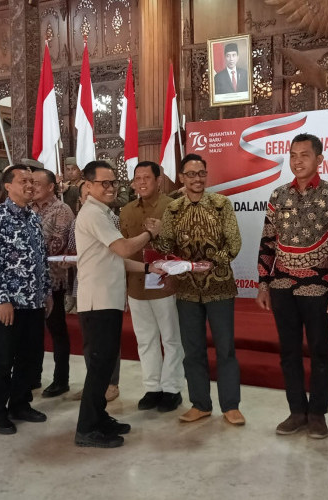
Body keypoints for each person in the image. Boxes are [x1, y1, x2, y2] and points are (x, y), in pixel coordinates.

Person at [256, 133, 328, 439]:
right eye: (293, 155)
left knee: (319, 351)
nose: (297, 161)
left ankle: (317, 414)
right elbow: (267, 242)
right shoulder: (278, 196)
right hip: (282, 285)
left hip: (319, 285)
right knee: (288, 352)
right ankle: (297, 411)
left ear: (319, 159)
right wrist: (263, 283)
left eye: (305, 155)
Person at [74, 160, 163, 448]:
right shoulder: (93, 214)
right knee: (100, 368)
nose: (111, 187)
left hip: (108, 300)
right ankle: (87, 428)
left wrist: (148, 269)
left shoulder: (104, 213)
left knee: (104, 366)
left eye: (113, 183)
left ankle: (98, 417)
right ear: (87, 186)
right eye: (104, 183)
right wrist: (151, 233)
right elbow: (124, 247)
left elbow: (117, 258)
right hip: (97, 302)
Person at [153, 153, 245, 426]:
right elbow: (167, 247)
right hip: (187, 290)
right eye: (191, 174)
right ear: (182, 178)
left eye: (201, 173)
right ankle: (200, 404)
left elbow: (234, 243)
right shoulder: (173, 209)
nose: (197, 178)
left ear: (206, 175)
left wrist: (213, 262)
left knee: (225, 348)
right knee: (192, 349)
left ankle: (231, 405)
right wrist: (156, 235)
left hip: (219, 286)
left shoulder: (221, 204)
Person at [0, 165, 53, 435]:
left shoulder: (33, 216)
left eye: (33, 181)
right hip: (8, 303)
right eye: (23, 181)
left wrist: (46, 292)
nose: (30, 185)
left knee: (30, 357)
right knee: (2, 359)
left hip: (33, 301)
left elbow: (40, 260)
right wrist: (1, 299)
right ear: (8, 187)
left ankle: (20, 404)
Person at [120, 161, 185, 412]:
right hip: (137, 284)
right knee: (145, 339)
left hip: (165, 284)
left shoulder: (173, 207)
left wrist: (163, 232)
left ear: (159, 180)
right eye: (138, 178)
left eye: (147, 177)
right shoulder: (126, 211)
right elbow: (122, 248)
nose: (142, 182)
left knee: (170, 338)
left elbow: (185, 245)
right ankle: (152, 387)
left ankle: (171, 388)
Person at [31, 167, 74, 398]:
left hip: (53, 280)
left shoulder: (62, 210)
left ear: (51, 187)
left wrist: (24, 248)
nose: (32, 187)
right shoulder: (27, 209)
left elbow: (56, 245)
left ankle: (61, 379)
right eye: (30, 183)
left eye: (37, 183)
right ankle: (34, 375)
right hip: (30, 282)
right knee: (33, 330)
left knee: (57, 330)